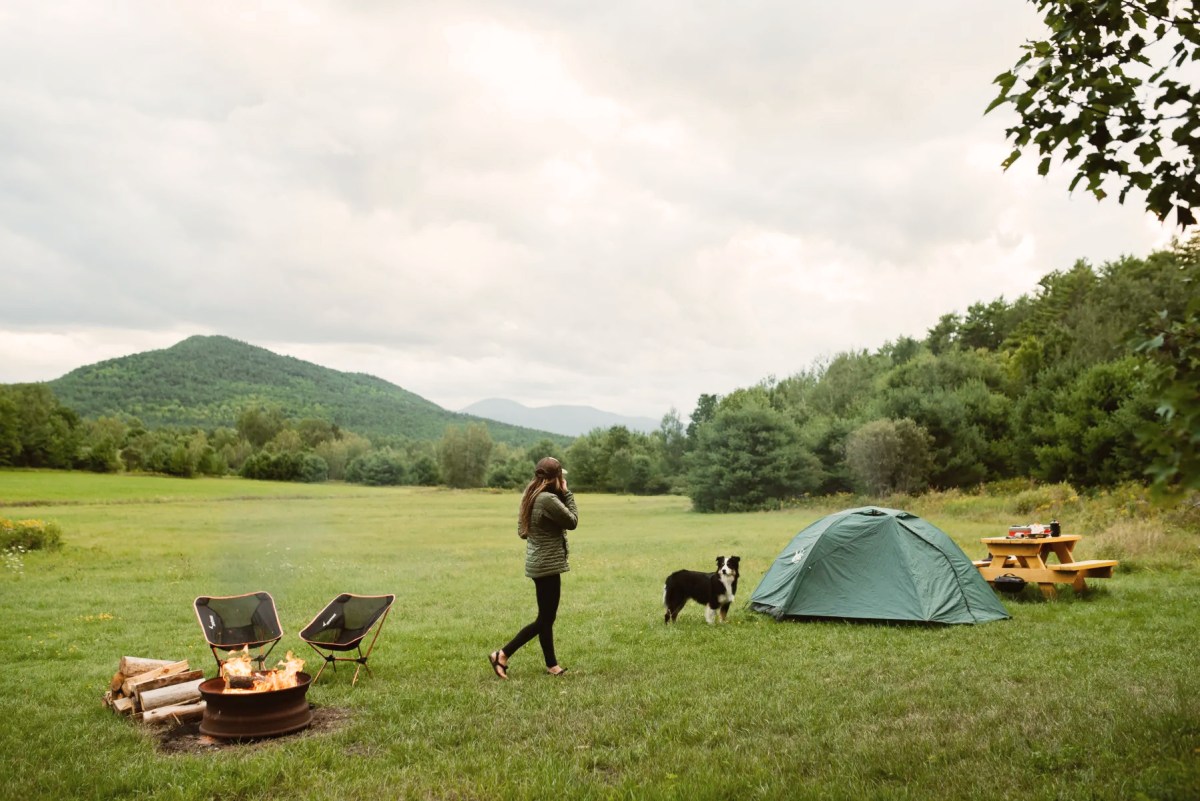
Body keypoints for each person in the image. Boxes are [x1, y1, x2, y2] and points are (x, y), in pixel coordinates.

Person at [489, 456, 578, 678]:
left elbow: (523, 531)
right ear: (555, 478)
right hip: (547, 565)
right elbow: (572, 521)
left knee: (545, 617)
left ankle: (552, 665)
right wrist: (566, 494)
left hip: (537, 563)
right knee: (545, 619)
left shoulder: (531, 495)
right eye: (561, 478)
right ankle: (502, 653)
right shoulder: (547, 499)